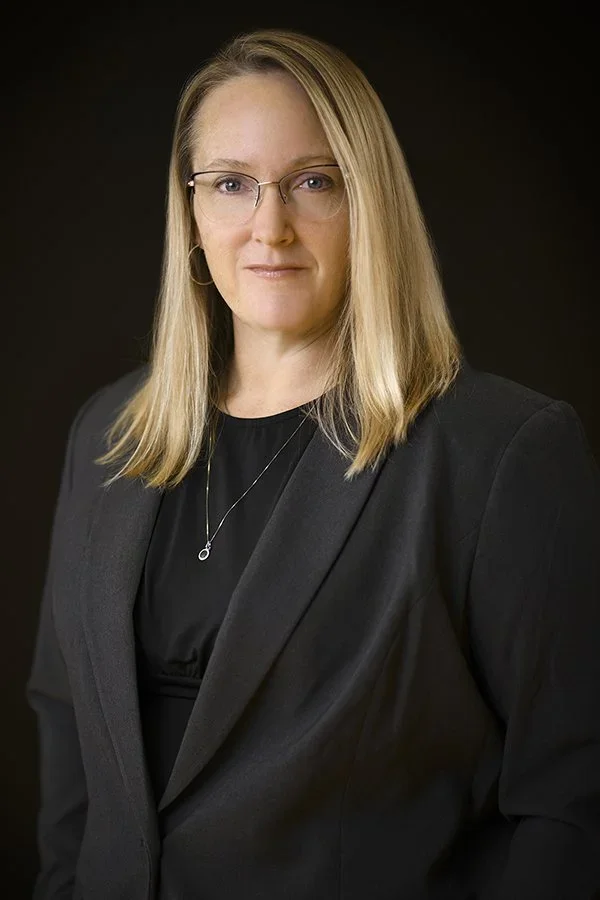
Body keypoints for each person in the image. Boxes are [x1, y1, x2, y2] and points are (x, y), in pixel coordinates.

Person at [27, 26, 600, 900]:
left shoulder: (500, 452)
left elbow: (573, 796)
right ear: (190, 212)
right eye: (231, 184)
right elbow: (68, 727)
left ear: (370, 202)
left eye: (314, 182)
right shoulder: (108, 431)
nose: (270, 227)